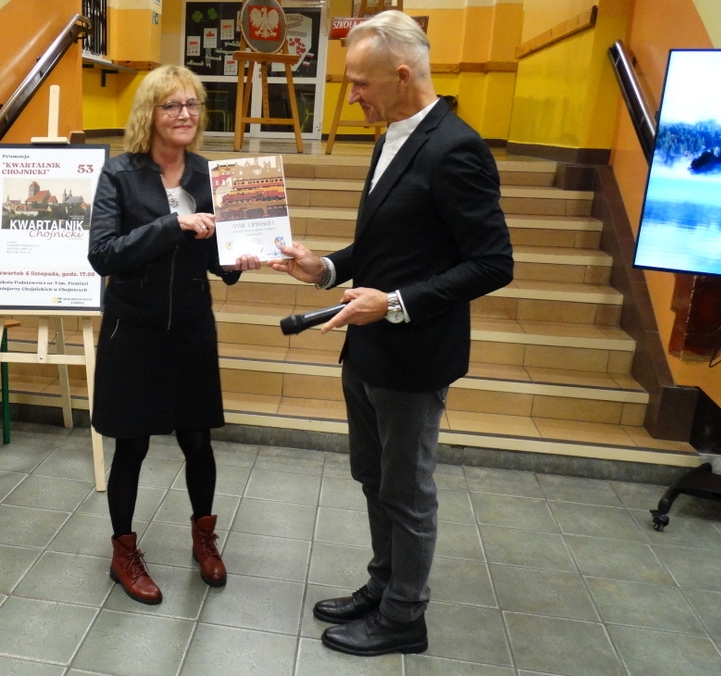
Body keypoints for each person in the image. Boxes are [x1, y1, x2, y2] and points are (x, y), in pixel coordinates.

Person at [270, 11, 514, 656]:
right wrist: (325, 268)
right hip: (368, 347)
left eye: (360, 83)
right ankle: (384, 585)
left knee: (406, 490)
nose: (351, 96)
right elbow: (387, 245)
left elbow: (493, 263)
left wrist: (397, 303)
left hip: (415, 354)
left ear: (402, 76)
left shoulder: (456, 148)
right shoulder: (392, 138)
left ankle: (405, 615)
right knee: (373, 476)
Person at [87, 65, 261, 605]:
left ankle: (204, 539)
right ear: (150, 113)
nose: (185, 114)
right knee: (131, 445)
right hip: (132, 327)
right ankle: (123, 553)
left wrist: (237, 258)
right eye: (172, 105)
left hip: (189, 325)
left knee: (198, 440)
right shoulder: (120, 174)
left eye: (192, 104)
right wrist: (172, 225)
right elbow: (104, 254)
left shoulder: (211, 175)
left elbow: (215, 258)